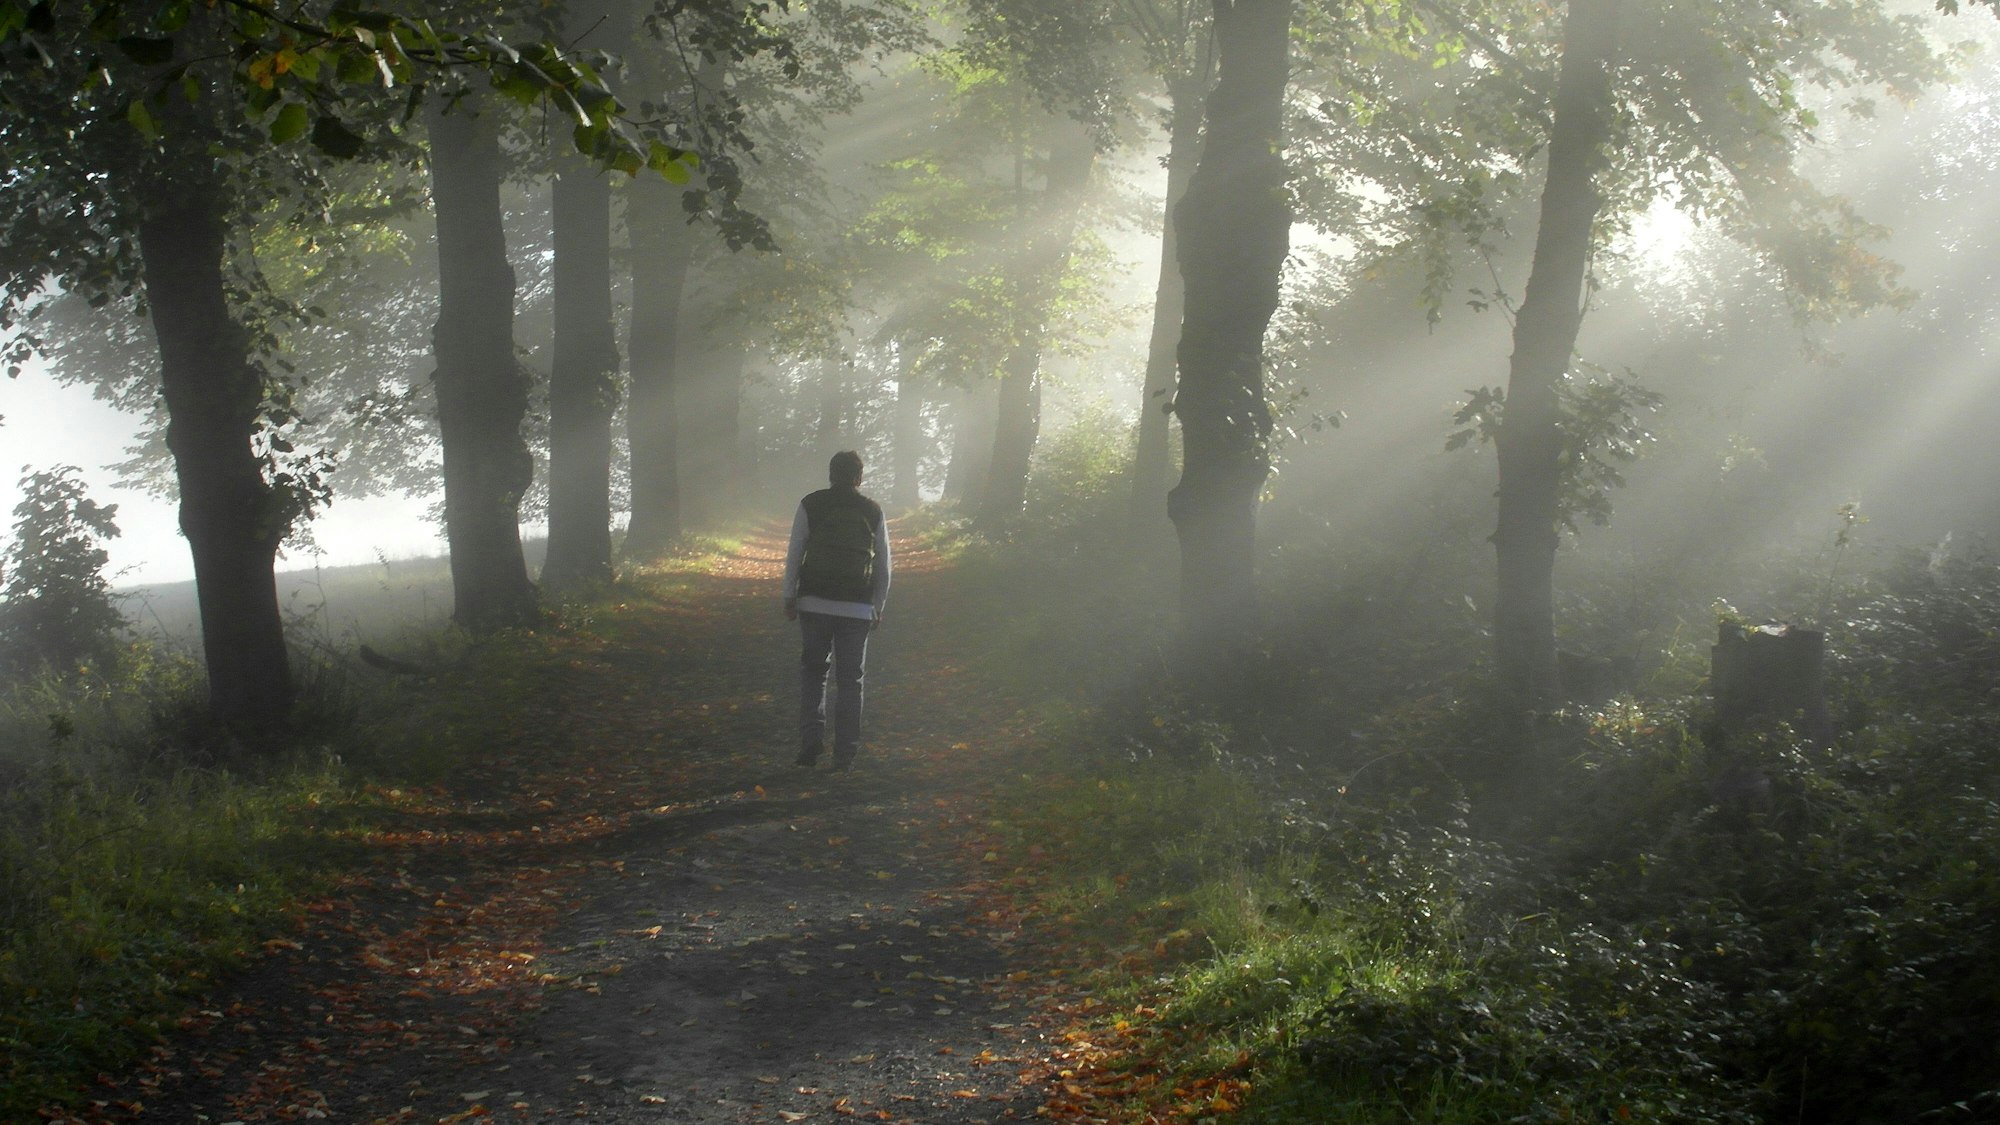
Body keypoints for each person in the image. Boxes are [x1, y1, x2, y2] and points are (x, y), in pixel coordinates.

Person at [783, 450, 891, 771]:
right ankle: (845, 753)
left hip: (814, 602)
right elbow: (883, 565)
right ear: (859, 477)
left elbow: (795, 553)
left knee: (814, 672)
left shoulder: (811, 504)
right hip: (857, 606)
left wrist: (789, 595)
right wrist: (878, 605)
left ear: (831, 474)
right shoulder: (872, 510)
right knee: (850, 680)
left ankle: (811, 742)